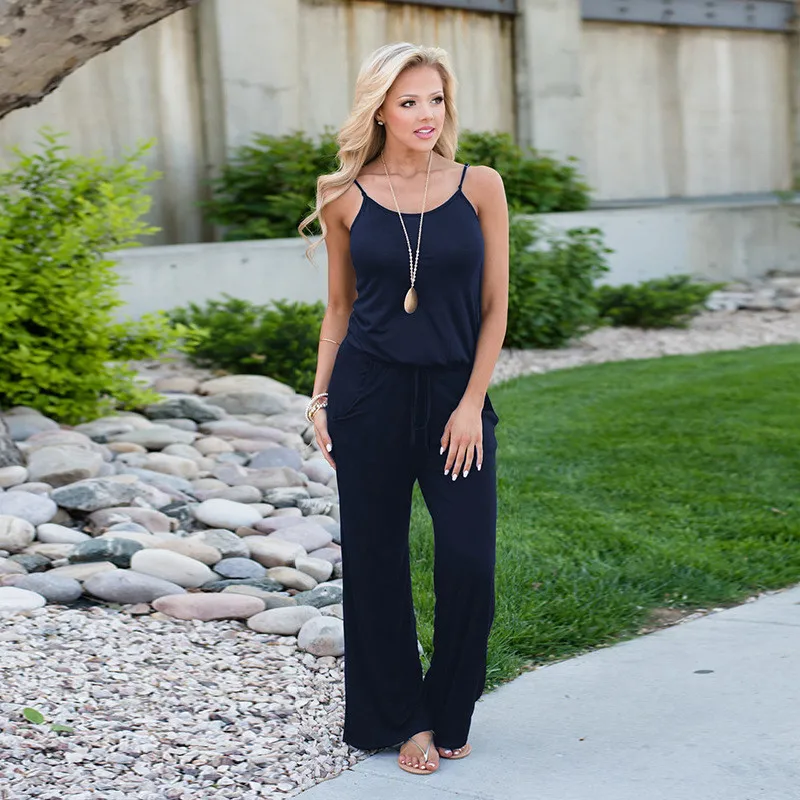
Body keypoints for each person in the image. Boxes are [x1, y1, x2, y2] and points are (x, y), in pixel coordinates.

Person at [298, 41, 509, 776]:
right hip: (369, 396)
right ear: (380, 109)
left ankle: (449, 706)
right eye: (409, 100)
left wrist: (471, 403)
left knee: (468, 561)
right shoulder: (343, 195)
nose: (427, 114)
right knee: (377, 563)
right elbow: (339, 307)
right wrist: (321, 398)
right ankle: (402, 720)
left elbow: (495, 306)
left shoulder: (480, 186)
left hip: (455, 398)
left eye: (436, 99)